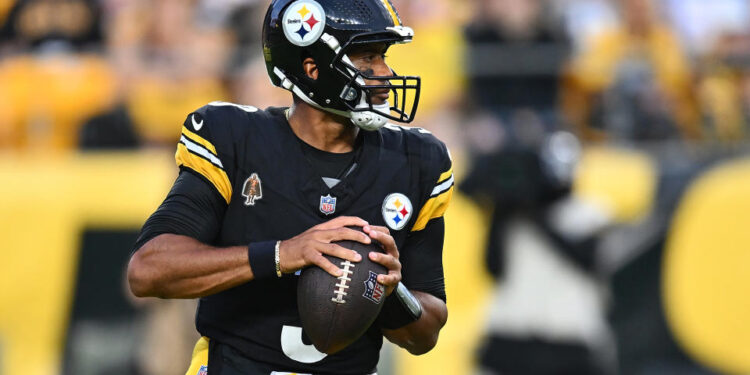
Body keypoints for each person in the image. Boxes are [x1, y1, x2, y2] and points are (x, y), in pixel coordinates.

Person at [126, 0, 453, 374]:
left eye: (382, 57)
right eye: (367, 59)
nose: (385, 72)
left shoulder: (414, 160)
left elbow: (424, 335)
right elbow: (149, 270)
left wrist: (389, 289)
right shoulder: (236, 139)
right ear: (312, 69)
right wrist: (283, 255)